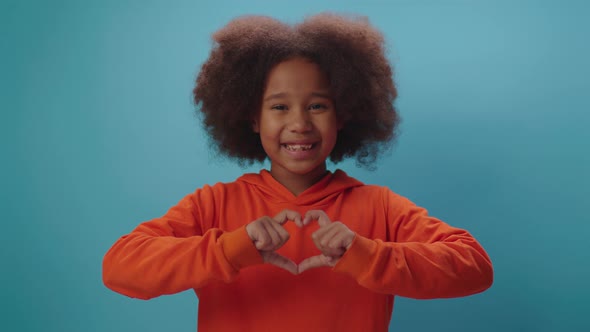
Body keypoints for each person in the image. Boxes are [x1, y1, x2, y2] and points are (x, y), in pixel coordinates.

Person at [102, 13, 493, 332]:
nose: (300, 123)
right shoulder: (213, 205)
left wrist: (367, 254)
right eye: (279, 107)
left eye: (318, 106)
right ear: (252, 118)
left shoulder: (381, 208)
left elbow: (474, 266)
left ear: (344, 115)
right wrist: (229, 249)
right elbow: (120, 267)